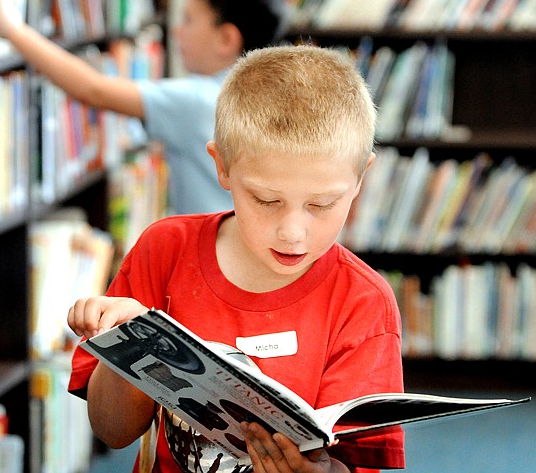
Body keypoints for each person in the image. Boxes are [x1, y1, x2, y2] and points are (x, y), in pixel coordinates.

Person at [67, 44, 405, 473]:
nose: (293, 231)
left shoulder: (363, 302)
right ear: (221, 166)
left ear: (361, 179)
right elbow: (111, 431)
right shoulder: (165, 250)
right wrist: (129, 345)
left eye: (321, 205)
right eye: (266, 200)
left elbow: (361, 463)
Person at [0, 0, 288, 214]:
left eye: (188, 20)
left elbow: (95, 90)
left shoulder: (203, 100)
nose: (176, 30)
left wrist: (10, 28)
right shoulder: (272, 95)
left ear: (226, 39)